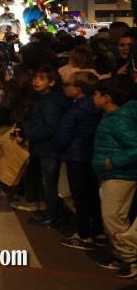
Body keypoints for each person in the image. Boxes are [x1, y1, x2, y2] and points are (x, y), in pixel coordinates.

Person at [91, 77, 137, 278]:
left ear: (106, 98)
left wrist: (113, 161)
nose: (93, 98)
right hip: (112, 174)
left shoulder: (118, 120)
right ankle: (122, 254)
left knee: (113, 218)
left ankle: (130, 258)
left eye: (95, 94)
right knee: (114, 216)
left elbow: (135, 146)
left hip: (120, 175)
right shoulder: (113, 116)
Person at [53, 71, 104, 251]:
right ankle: (98, 232)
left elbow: (64, 135)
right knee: (93, 195)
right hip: (92, 155)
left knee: (80, 197)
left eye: (69, 84)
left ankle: (84, 235)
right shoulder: (98, 107)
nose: (65, 88)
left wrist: (58, 148)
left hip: (75, 156)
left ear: (78, 90)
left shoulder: (75, 109)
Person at [19, 65, 70, 226]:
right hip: (42, 147)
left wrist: (27, 130)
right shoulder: (41, 99)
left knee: (50, 183)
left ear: (52, 82)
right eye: (35, 78)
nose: (36, 81)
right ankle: (50, 212)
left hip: (49, 148)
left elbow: (50, 128)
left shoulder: (50, 102)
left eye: (41, 79)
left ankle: (52, 216)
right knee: (45, 181)